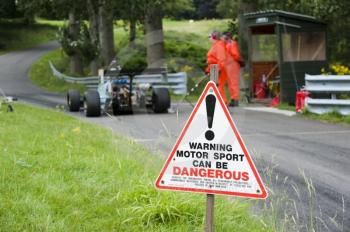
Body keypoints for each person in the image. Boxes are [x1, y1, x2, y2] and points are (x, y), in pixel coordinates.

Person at [206, 31, 229, 104]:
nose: (209, 38)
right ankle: (220, 104)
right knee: (215, 88)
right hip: (215, 69)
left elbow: (222, 59)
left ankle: (223, 104)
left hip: (218, 69)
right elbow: (212, 60)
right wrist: (208, 70)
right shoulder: (216, 45)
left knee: (218, 88)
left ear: (214, 37)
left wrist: (218, 70)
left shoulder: (219, 45)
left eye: (209, 36)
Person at [223, 32, 244, 107]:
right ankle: (233, 98)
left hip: (233, 65)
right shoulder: (226, 44)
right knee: (230, 83)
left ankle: (235, 99)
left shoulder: (232, 44)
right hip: (229, 65)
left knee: (233, 83)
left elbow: (236, 55)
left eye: (223, 37)